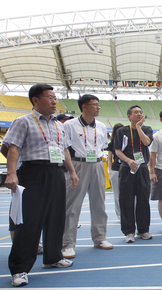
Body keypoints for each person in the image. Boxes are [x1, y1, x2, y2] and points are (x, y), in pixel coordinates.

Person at [3, 84, 79, 287]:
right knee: (29, 222)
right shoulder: (23, 122)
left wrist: (71, 172)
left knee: (55, 217)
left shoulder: (59, 125)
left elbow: (63, 151)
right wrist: (12, 173)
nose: (54, 101)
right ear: (35, 100)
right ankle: (19, 269)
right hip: (33, 173)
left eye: (55, 97)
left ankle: (53, 258)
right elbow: (12, 148)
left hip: (56, 172)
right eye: (49, 97)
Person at [62, 94, 113, 260]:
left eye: (99, 104)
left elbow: (102, 147)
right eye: (95, 104)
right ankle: (67, 244)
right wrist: (71, 171)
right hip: (78, 164)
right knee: (72, 206)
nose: (98, 107)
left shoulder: (102, 126)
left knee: (99, 203)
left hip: (98, 164)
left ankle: (99, 238)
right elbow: (65, 149)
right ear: (84, 107)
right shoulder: (69, 125)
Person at [114, 105, 154, 243]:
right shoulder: (121, 131)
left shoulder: (147, 129)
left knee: (143, 200)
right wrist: (128, 160)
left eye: (141, 112)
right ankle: (129, 231)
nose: (139, 114)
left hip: (142, 169)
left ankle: (143, 230)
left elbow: (147, 142)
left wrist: (138, 127)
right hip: (127, 168)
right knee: (126, 200)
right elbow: (117, 150)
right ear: (129, 116)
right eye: (136, 112)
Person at [107, 123, 124, 220]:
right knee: (117, 195)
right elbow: (109, 158)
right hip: (115, 170)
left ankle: (129, 213)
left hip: (126, 170)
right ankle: (119, 215)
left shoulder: (127, 142)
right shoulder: (111, 144)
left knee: (128, 194)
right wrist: (110, 171)